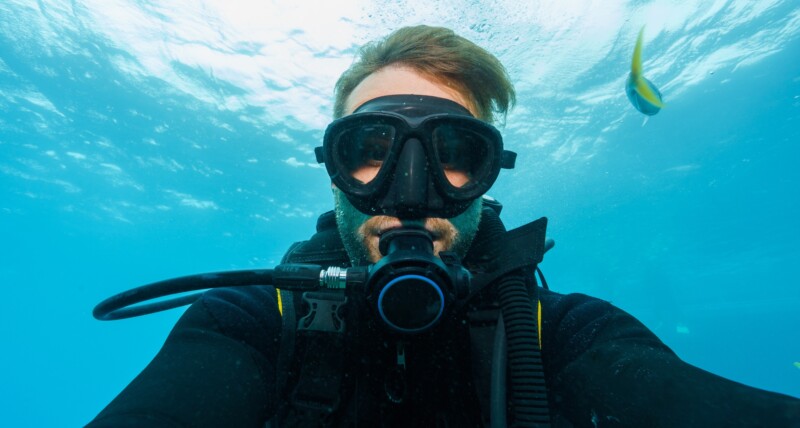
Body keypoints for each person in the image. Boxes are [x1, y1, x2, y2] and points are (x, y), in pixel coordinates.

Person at [88, 25, 800, 427]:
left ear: (490, 175)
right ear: (332, 170)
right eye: (370, 150)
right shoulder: (249, 324)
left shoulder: (564, 337)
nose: (407, 195)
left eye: (455, 154)